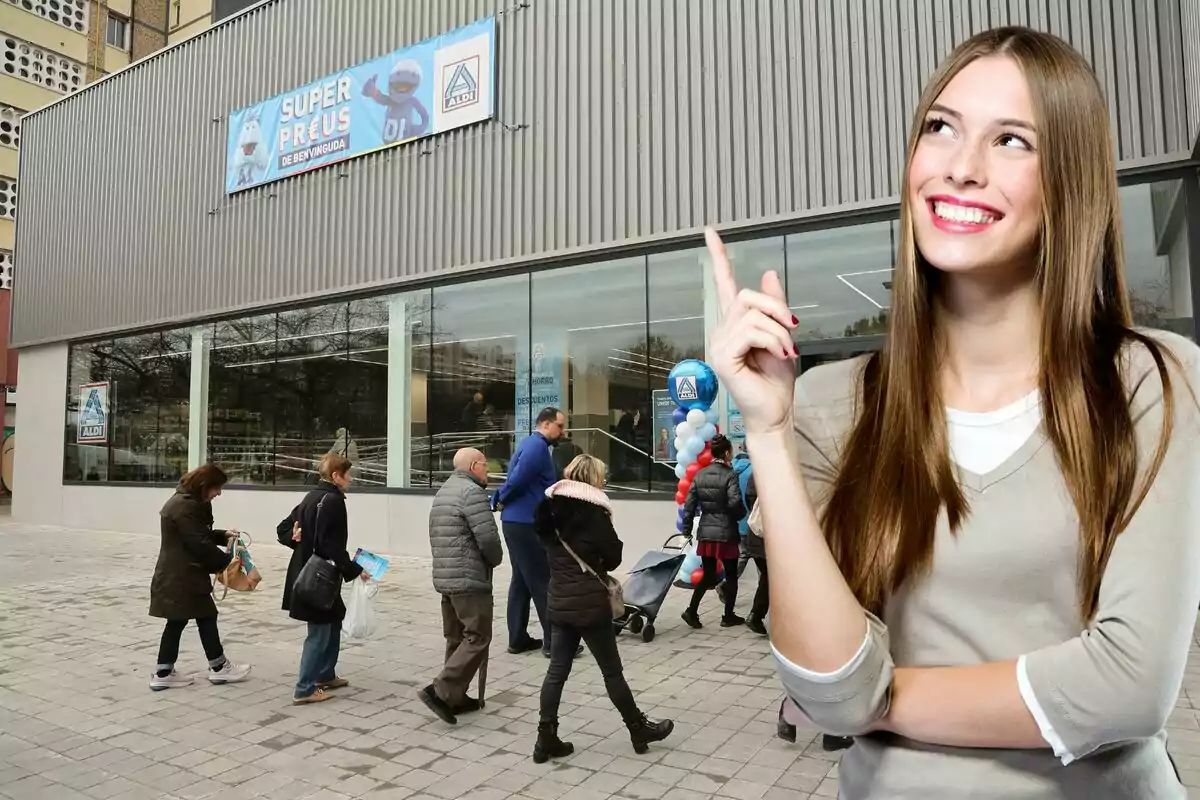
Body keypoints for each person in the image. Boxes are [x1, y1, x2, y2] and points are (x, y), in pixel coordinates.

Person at [705, 26, 1200, 799]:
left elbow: (1129, 686)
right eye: (940, 128)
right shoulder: (832, 406)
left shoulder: (1154, 381)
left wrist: (888, 697)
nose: (960, 169)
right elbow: (829, 694)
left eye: (1012, 140)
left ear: (1069, 180)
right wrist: (767, 430)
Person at [532, 454, 674, 762]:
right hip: (589, 605)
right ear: (593, 479)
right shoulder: (592, 513)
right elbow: (612, 559)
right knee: (612, 671)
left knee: (556, 672)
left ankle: (546, 738)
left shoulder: (547, 509)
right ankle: (638, 729)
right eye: (602, 476)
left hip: (559, 600)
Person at [418, 448, 504, 725]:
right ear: (474, 465)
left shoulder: (444, 491)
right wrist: (495, 559)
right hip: (469, 578)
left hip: (447, 578)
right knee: (477, 637)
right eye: (485, 466)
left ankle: (454, 696)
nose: (487, 471)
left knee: (456, 638)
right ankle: (441, 690)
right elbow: (488, 539)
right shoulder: (472, 493)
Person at [149, 464, 253, 691]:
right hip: (182, 576)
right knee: (204, 616)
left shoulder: (188, 503)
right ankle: (217, 667)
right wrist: (228, 564)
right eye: (217, 488)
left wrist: (222, 535)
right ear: (204, 486)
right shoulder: (185, 507)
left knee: (179, 620)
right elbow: (199, 543)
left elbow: (200, 534)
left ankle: (164, 671)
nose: (219, 493)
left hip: (179, 574)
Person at [279, 453, 369, 705]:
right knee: (318, 631)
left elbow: (282, 529)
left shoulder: (312, 496)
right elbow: (330, 545)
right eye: (347, 474)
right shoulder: (332, 501)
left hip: (310, 571)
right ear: (335, 476)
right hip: (318, 575)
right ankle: (304, 688)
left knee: (333, 619)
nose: (350, 479)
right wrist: (353, 569)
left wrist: (293, 536)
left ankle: (325, 674)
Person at [493, 406, 580, 659]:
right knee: (542, 581)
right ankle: (555, 643)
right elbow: (518, 479)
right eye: (560, 426)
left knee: (521, 581)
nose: (563, 431)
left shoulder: (531, 444)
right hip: (526, 523)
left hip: (517, 522)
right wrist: (499, 498)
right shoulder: (537, 447)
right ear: (546, 424)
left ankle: (518, 638)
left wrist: (501, 499)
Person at [679, 434, 746, 629]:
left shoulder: (700, 474)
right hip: (726, 532)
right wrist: (740, 515)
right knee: (731, 574)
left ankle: (691, 611)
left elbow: (689, 505)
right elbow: (734, 502)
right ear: (726, 453)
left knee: (708, 575)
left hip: (707, 530)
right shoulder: (730, 474)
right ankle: (728, 616)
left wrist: (686, 530)